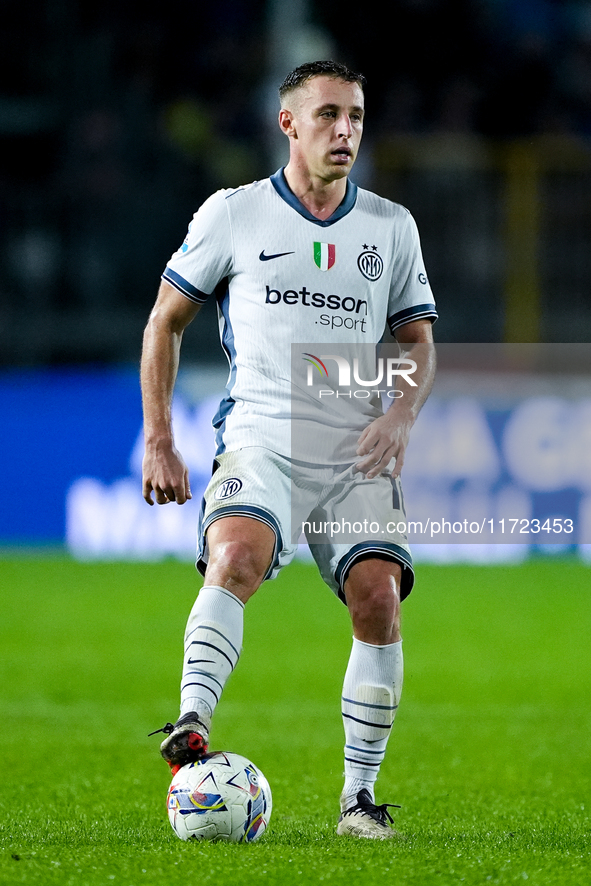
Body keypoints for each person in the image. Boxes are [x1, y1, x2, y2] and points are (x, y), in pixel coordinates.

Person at [141, 60, 437, 840]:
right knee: (234, 556)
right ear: (289, 125)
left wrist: (402, 412)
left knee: (378, 595)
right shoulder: (233, 214)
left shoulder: (389, 226)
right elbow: (164, 322)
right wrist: (159, 439)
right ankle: (191, 722)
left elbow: (418, 342)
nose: (346, 131)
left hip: (354, 448)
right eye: (329, 115)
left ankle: (357, 802)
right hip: (262, 436)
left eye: (357, 117)